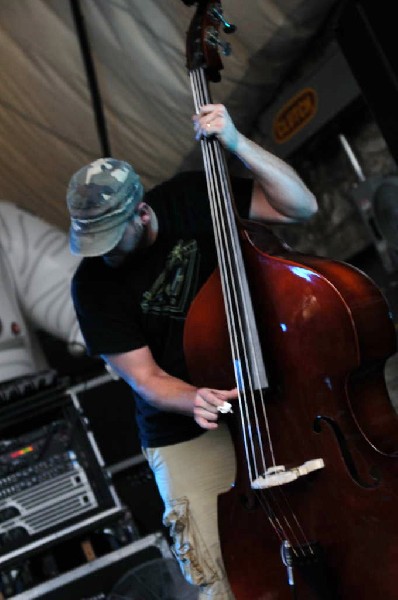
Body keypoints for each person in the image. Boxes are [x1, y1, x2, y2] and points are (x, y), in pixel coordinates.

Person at [66, 103, 317, 600]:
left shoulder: (189, 196)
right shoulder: (91, 288)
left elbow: (300, 208)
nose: (106, 253)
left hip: (271, 393)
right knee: (219, 573)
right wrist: (195, 398)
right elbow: (147, 380)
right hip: (184, 427)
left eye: (113, 239)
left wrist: (238, 143)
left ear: (141, 211)